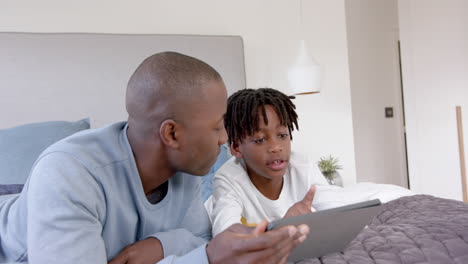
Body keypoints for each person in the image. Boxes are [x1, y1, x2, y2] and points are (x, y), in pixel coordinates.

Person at [0, 52, 309, 263]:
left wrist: (163, 244)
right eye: (217, 127)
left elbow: (198, 236)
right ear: (172, 134)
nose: (224, 139)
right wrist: (209, 257)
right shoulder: (68, 174)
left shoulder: (187, 170)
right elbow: (205, 251)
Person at [209, 88, 335, 236]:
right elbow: (225, 236)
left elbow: (337, 212)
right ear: (237, 147)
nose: (276, 147)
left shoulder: (303, 166)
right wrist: (281, 227)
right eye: (260, 140)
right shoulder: (227, 179)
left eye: (282, 135)